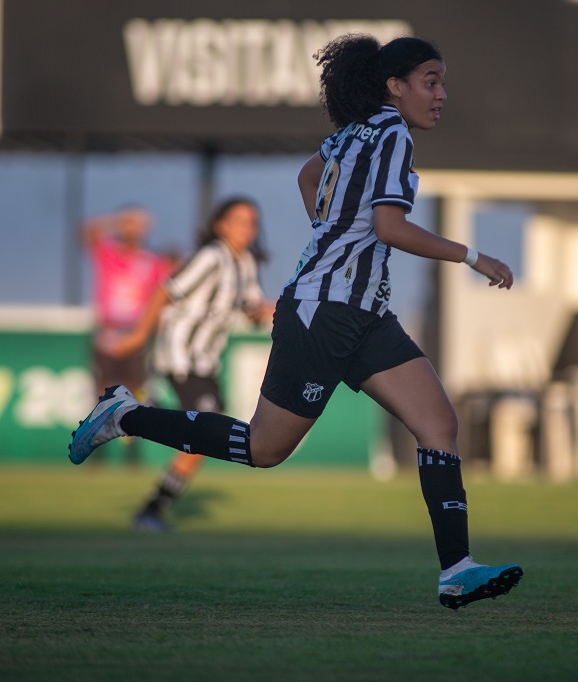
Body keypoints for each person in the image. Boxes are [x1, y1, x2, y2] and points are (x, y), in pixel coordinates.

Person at [68, 34, 522, 609]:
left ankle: (457, 569)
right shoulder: (392, 134)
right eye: (431, 82)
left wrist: (330, 234)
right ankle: (124, 415)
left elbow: (309, 177)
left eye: (442, 83)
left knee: (438, 424)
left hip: (363, 313)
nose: (441, 95)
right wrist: (474, 256)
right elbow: (390, 227)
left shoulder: (352, 133)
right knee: (264, 448)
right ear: (395, 86)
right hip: (324, 312)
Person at [110, 197, 275, 531]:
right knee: (206, 431)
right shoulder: (211, 256)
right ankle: (128, 417)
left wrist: (281, 310)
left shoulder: (245, 264)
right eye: (239, 221)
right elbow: (166, 290)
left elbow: (252, 311)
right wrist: (140, 334)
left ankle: (151, 499)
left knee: (203, 438)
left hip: (207, 362)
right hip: (182, 355)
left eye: (252, 223)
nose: (247, 229)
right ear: (220, 225)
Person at [82, 205, 172, 466]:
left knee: (134, 392)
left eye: (137, 223)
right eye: (129, 223)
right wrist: (117, 220)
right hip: (108, 333)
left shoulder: (152, 262)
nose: (133, 228)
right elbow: (87, 232)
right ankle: (97, 448)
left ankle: (131, 451)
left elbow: (165, 294)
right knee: (102, 392)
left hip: (135, 335)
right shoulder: (108, 253)